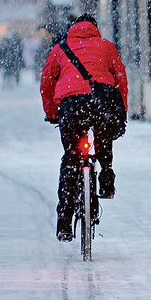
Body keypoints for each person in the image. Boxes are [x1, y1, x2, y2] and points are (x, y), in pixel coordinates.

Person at [40, 14, 128, 241]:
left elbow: (47, 82)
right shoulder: (107, 47)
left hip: (71, 107)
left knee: (71, 157)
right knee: (103, 137)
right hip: (101, 103)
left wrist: (51, 113)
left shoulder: (60, 49)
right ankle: (106, 177)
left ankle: (64, 221)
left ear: (74, 28)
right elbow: (120, 81)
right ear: (94, 29)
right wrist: (121, 111)